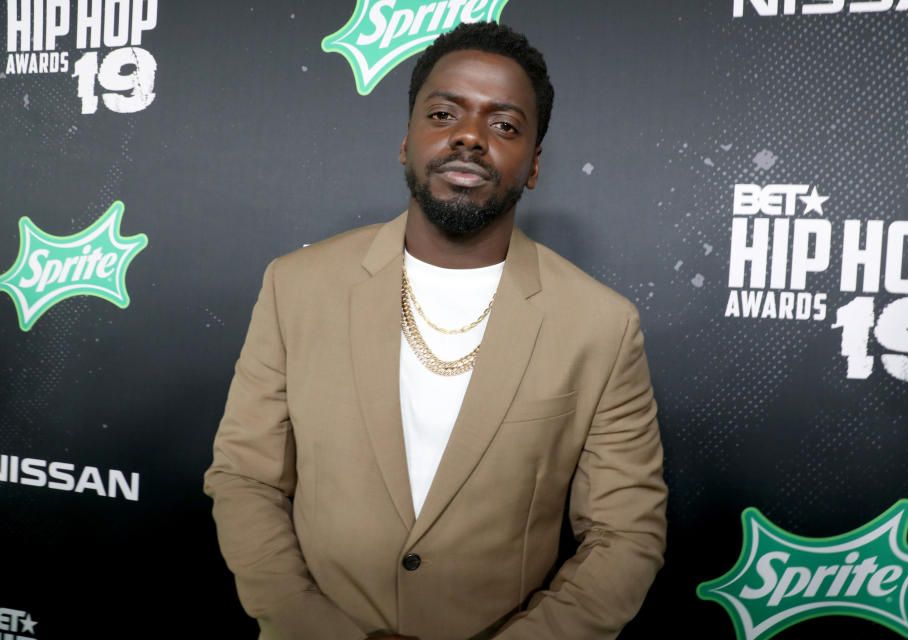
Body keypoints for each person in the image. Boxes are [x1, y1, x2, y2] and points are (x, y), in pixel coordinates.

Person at [204, 22, 667, 640]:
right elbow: (244, 477)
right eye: (445, 113)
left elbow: (626, 533)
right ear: (406, 141)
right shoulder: (296, 286)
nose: (470, 137)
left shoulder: (602, 326)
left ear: (533, 166)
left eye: (504, 126)